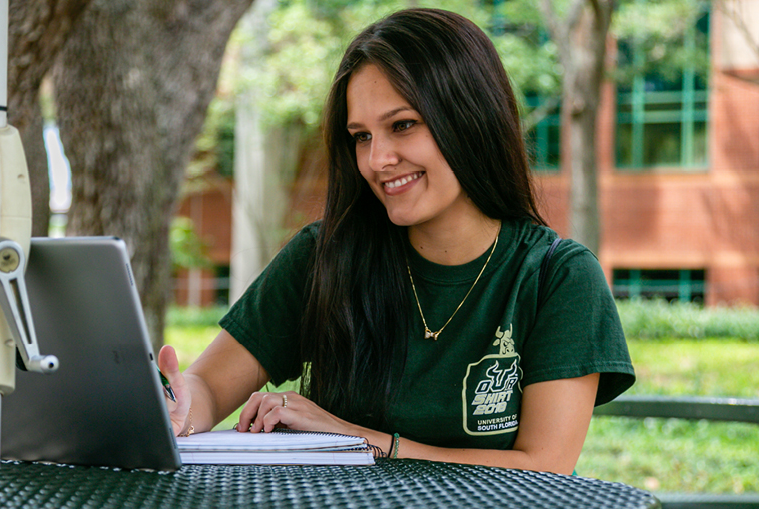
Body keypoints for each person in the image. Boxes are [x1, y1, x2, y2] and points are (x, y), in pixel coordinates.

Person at [158, 7, 634, 475]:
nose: (377, 159)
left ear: (469, 118)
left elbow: (544, 466)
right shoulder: (324, 257)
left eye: (402, 125)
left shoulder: (558, 276)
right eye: (361, 136)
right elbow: (206, 385)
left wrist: (360, 440)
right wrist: (177, 407)